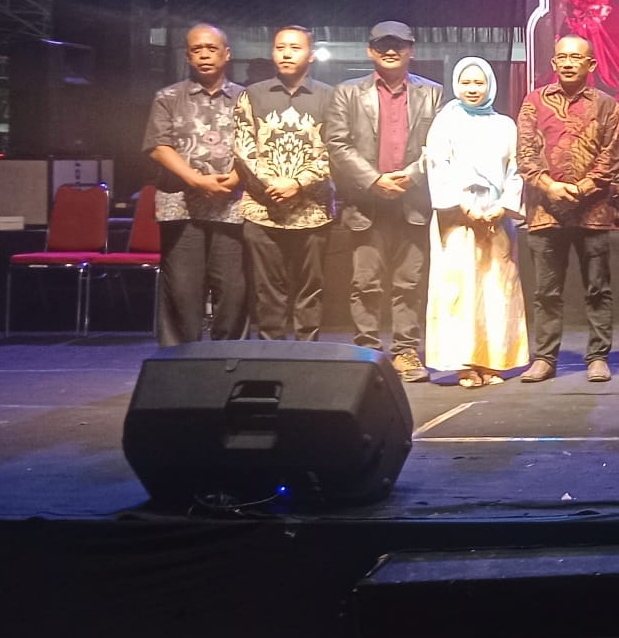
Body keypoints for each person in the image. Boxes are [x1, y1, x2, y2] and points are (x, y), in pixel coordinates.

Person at [324, 21, 444, 383]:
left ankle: (406, 351)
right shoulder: (347, 92)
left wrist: (411, 176)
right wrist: (375, 180)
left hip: (413, 201)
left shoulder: (433, 93)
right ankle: (368, 352)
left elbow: (440, 145)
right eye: (382, 45)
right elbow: (337, 144)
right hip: (367, 203)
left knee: (409, 282)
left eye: (398, 45)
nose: (390, 51)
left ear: (411, 50)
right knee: (366, 283)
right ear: (369, 50)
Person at [514, 34, 619, 384]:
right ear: (553, 63)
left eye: (575, 58)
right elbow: (525, 154)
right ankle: (545, 358)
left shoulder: (605, 104)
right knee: (546, 292)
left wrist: (582, 188)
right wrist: (549, 186)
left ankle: (598, 356)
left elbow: (613, 154)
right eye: (562, 57)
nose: (567, 63)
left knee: (597, 289)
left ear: (590, 64)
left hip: (592, 212)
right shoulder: (534, 101)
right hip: (545, 212)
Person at [423, 57, 529, 388]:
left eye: (479, 82)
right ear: (456, 84)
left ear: (490, 85)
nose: (472, 89)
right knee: (459, 290)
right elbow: (438, 166)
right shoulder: (445, 122)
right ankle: (464, 364)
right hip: (456, 217)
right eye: (466, 82)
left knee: (496, 289)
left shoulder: (505, 125)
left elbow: (516, 169)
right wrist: (464, 207)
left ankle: (493, 360)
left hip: (496, 217)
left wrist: (502, 207)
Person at [141, 23, 246, 346]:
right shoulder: (168, 97)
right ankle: (179, 360)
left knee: (234, 290)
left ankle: (228, 358)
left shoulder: (246, 98)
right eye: (196, 50)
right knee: (182, 290)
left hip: (231, 206)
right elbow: (158, 146)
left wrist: (236, 177)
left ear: (226, 54)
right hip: (180, 206)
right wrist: (196, 180)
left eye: (211, 49)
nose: (204, 55)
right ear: (187, 56)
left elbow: (256, 146)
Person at [232, 25, 334, 342]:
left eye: (295, 48)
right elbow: (243, 147)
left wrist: (299, 182)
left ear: (311, 55)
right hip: (263, 209)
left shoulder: (331, 97)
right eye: (280, 47)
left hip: (313, 210)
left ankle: (306, 354)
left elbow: (338, 150)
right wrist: (273, 182)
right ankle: (270, 353)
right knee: (267, 290)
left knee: (310, 289)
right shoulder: (252, 94)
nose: (287, 54)